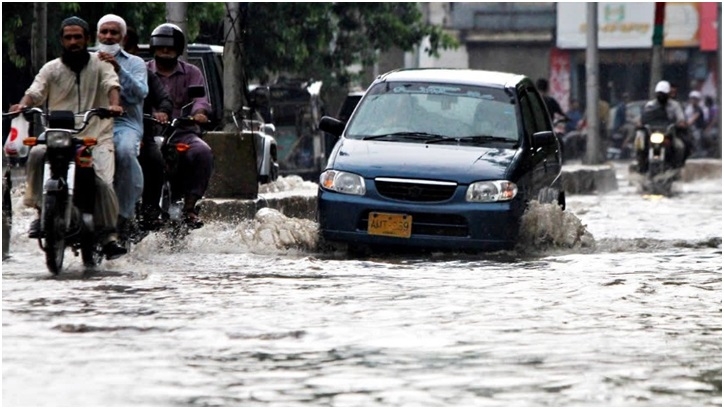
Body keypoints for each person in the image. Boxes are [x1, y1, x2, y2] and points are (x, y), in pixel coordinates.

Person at [10, 16, 126, 258]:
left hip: (96, 134)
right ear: (62, 40)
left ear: (87, 39)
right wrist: (23, 105)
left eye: (78, 37)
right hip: (58, 134)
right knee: (37, 153)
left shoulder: (101, 64)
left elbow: (111, 86)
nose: (73, 42)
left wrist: (114, 105)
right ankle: (41, 213)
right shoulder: (51, 68)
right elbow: (34, 92)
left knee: (103, 182)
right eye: (68, 38)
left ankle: (108, 236)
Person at [146, 23, 214, 229]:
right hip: (148, 132)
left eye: (170, 46)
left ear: (179, 48)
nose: (165, 50)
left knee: (203, 152)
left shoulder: (192, 72)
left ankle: (190, 207)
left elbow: (201, 99)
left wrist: (199, 113)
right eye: (160, 46)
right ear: (153, 47)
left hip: (181, 132)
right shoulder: (142, 70)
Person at [95, 14, 148, 240]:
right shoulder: (87, 60)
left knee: (125, 152)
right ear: (97, 35)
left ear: (123, 37)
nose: (108, 36)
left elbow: (140, 93)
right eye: (104, 32)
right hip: (92, 122)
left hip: (125, 124)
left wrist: (118, 69)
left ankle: (123, 216)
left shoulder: (135, 63)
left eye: (113, 32)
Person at [123, 26, 173, 230]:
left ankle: (150, 208)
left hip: (138, 131)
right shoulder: (95, 66)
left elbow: (164, 98)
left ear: (133, 50)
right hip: (100, 132)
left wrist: (162, 111)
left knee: (154, 159)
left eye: (123, 47)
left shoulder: (142, 72)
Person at [639, 80, 688, 168]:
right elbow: (642, 118)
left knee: (680, 147)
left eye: (663, 94)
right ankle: (641, 166)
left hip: (669, 135)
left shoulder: (675, 105)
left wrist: (680, 124)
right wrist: (639, 123)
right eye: (659, 94)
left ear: (668, 94)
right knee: (639, 145)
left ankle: (677, 167)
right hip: (652, 134)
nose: (661, 96)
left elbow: (681, 120)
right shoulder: (650, 105)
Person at [684, 90, 706, 157]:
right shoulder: (688, 108)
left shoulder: (699, 109)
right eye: (692, 98)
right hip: (688, 128)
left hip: (697, 129)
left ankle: (698, 153)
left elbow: (694, 118)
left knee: (697, 138)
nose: (694, 100)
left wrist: (687, 124)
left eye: (695, 99)